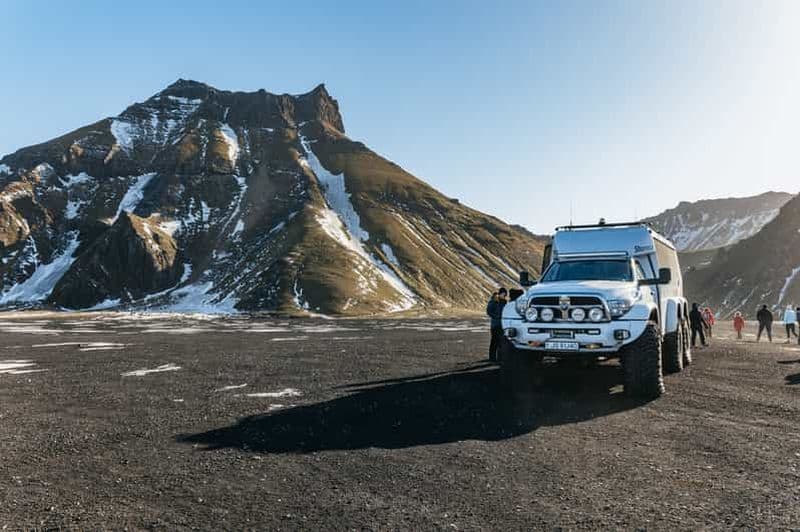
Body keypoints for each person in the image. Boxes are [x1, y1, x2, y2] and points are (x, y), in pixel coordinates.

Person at [486, 288, 508, 362]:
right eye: (504, 294)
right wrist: (496, 316)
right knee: (494, 342)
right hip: (495, 325)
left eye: (505, 295)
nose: (505, 296)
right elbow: (489, 311)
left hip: (502, 325)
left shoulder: (504, 302)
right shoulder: (494, 301)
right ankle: (492, 358)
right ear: (500, 293)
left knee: (501, 342)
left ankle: (500, 358)